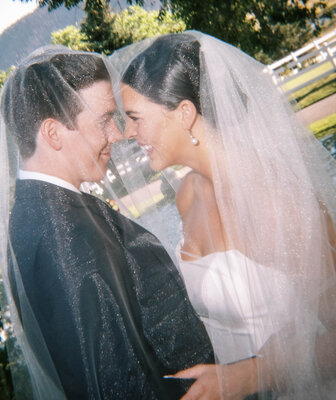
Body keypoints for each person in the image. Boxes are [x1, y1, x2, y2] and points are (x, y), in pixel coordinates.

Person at [116, 32, 336, 399]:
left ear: (184, 113)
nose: (128, 133)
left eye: (136, 118)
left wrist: (248, 377)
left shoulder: (276, 201)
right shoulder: (188, 195)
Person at [0, 45, 215, 400]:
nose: (117, 134)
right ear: (53, 134)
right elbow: (113, 384)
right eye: (104, 120)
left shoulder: (41, 214)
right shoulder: (64, 238)